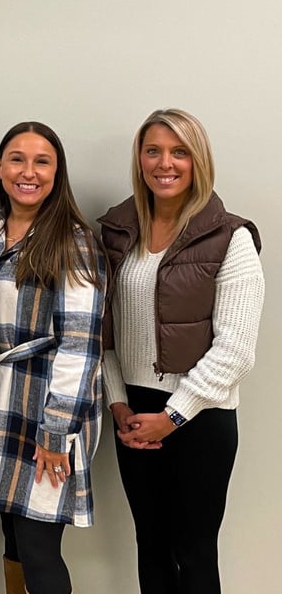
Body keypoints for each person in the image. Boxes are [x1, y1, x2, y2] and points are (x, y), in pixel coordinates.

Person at [98, 109, 264, 593]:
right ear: (140, 159)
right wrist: (118, 402)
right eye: (153, 151)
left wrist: (173, 416)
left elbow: (236, 350)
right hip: (133, 412)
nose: (164, 163)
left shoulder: (231, 238)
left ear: (198, 160)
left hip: (201, 416)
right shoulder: (117, 232)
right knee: (150, 547)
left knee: (194, 554)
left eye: (179, 152)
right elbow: (103, 331)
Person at [0, 122, 106, 594]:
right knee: (12, 537)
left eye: (42, 162)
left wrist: (55, 431)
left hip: (47, 408)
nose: (28, 172)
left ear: (57, 172)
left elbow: (80, 346)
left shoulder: (74, 242)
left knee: (39, 546)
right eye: (17, 159)